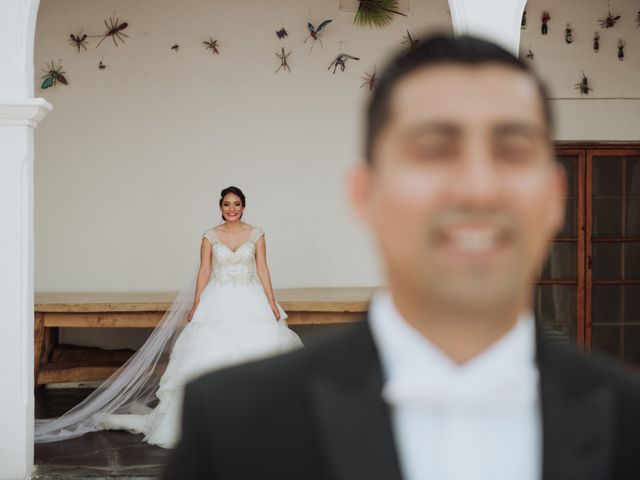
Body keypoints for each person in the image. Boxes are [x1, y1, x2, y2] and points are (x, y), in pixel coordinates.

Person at [163, 34, 640, 479]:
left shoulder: (629, 420)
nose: (476, 190)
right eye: (433, 151)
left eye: (511, 151)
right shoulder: (231, 422)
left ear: (555, 196)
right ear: (365, 194)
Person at [35, 186, 302, 448]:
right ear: (220, 208)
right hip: (218, 300)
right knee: (207, 355)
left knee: (258, 353)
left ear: (244, 206)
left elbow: (263, 269)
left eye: (236, 204)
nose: (232, 209)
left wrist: (270, 301)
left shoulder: (257, 234)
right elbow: (204, 271)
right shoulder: (210, 236)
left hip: (250, 299)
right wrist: (197, 303)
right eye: (226, 204)